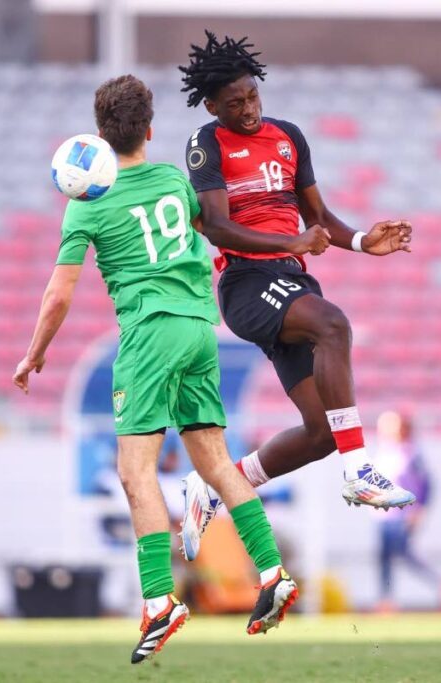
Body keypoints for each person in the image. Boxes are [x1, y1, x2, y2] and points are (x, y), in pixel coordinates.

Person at [13, 75, 298, 665]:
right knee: (215, 460)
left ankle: (158, 602)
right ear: (149, 128)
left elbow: (59, 295)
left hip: (149, 332)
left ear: (97, 134)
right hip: (199, 329)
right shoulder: (173, 178)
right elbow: (201, 227)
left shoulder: (85, 205)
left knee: (135, 471)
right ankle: (272, 572)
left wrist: (36, 351)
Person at [175, 32, 416, 559]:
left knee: (321, 431)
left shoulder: (288, 137)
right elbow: (216, 226)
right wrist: (291, 241)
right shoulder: (206, 143)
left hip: (290, 282)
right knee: (333, 325)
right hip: (246, 283)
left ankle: (214, 485)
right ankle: (359, 471)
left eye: (252, 96)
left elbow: (319, 219)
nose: (247, 110)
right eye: (234, 104)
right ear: (213, 105)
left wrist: (358, 241)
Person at [372, 410, 441, 613]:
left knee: (402, 552)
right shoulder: (384, 451)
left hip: (403, 514)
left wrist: (419, 509)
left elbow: (427, 483)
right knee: (384, 557)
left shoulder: (411, 452)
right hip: (383, 514)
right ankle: (386, 600)